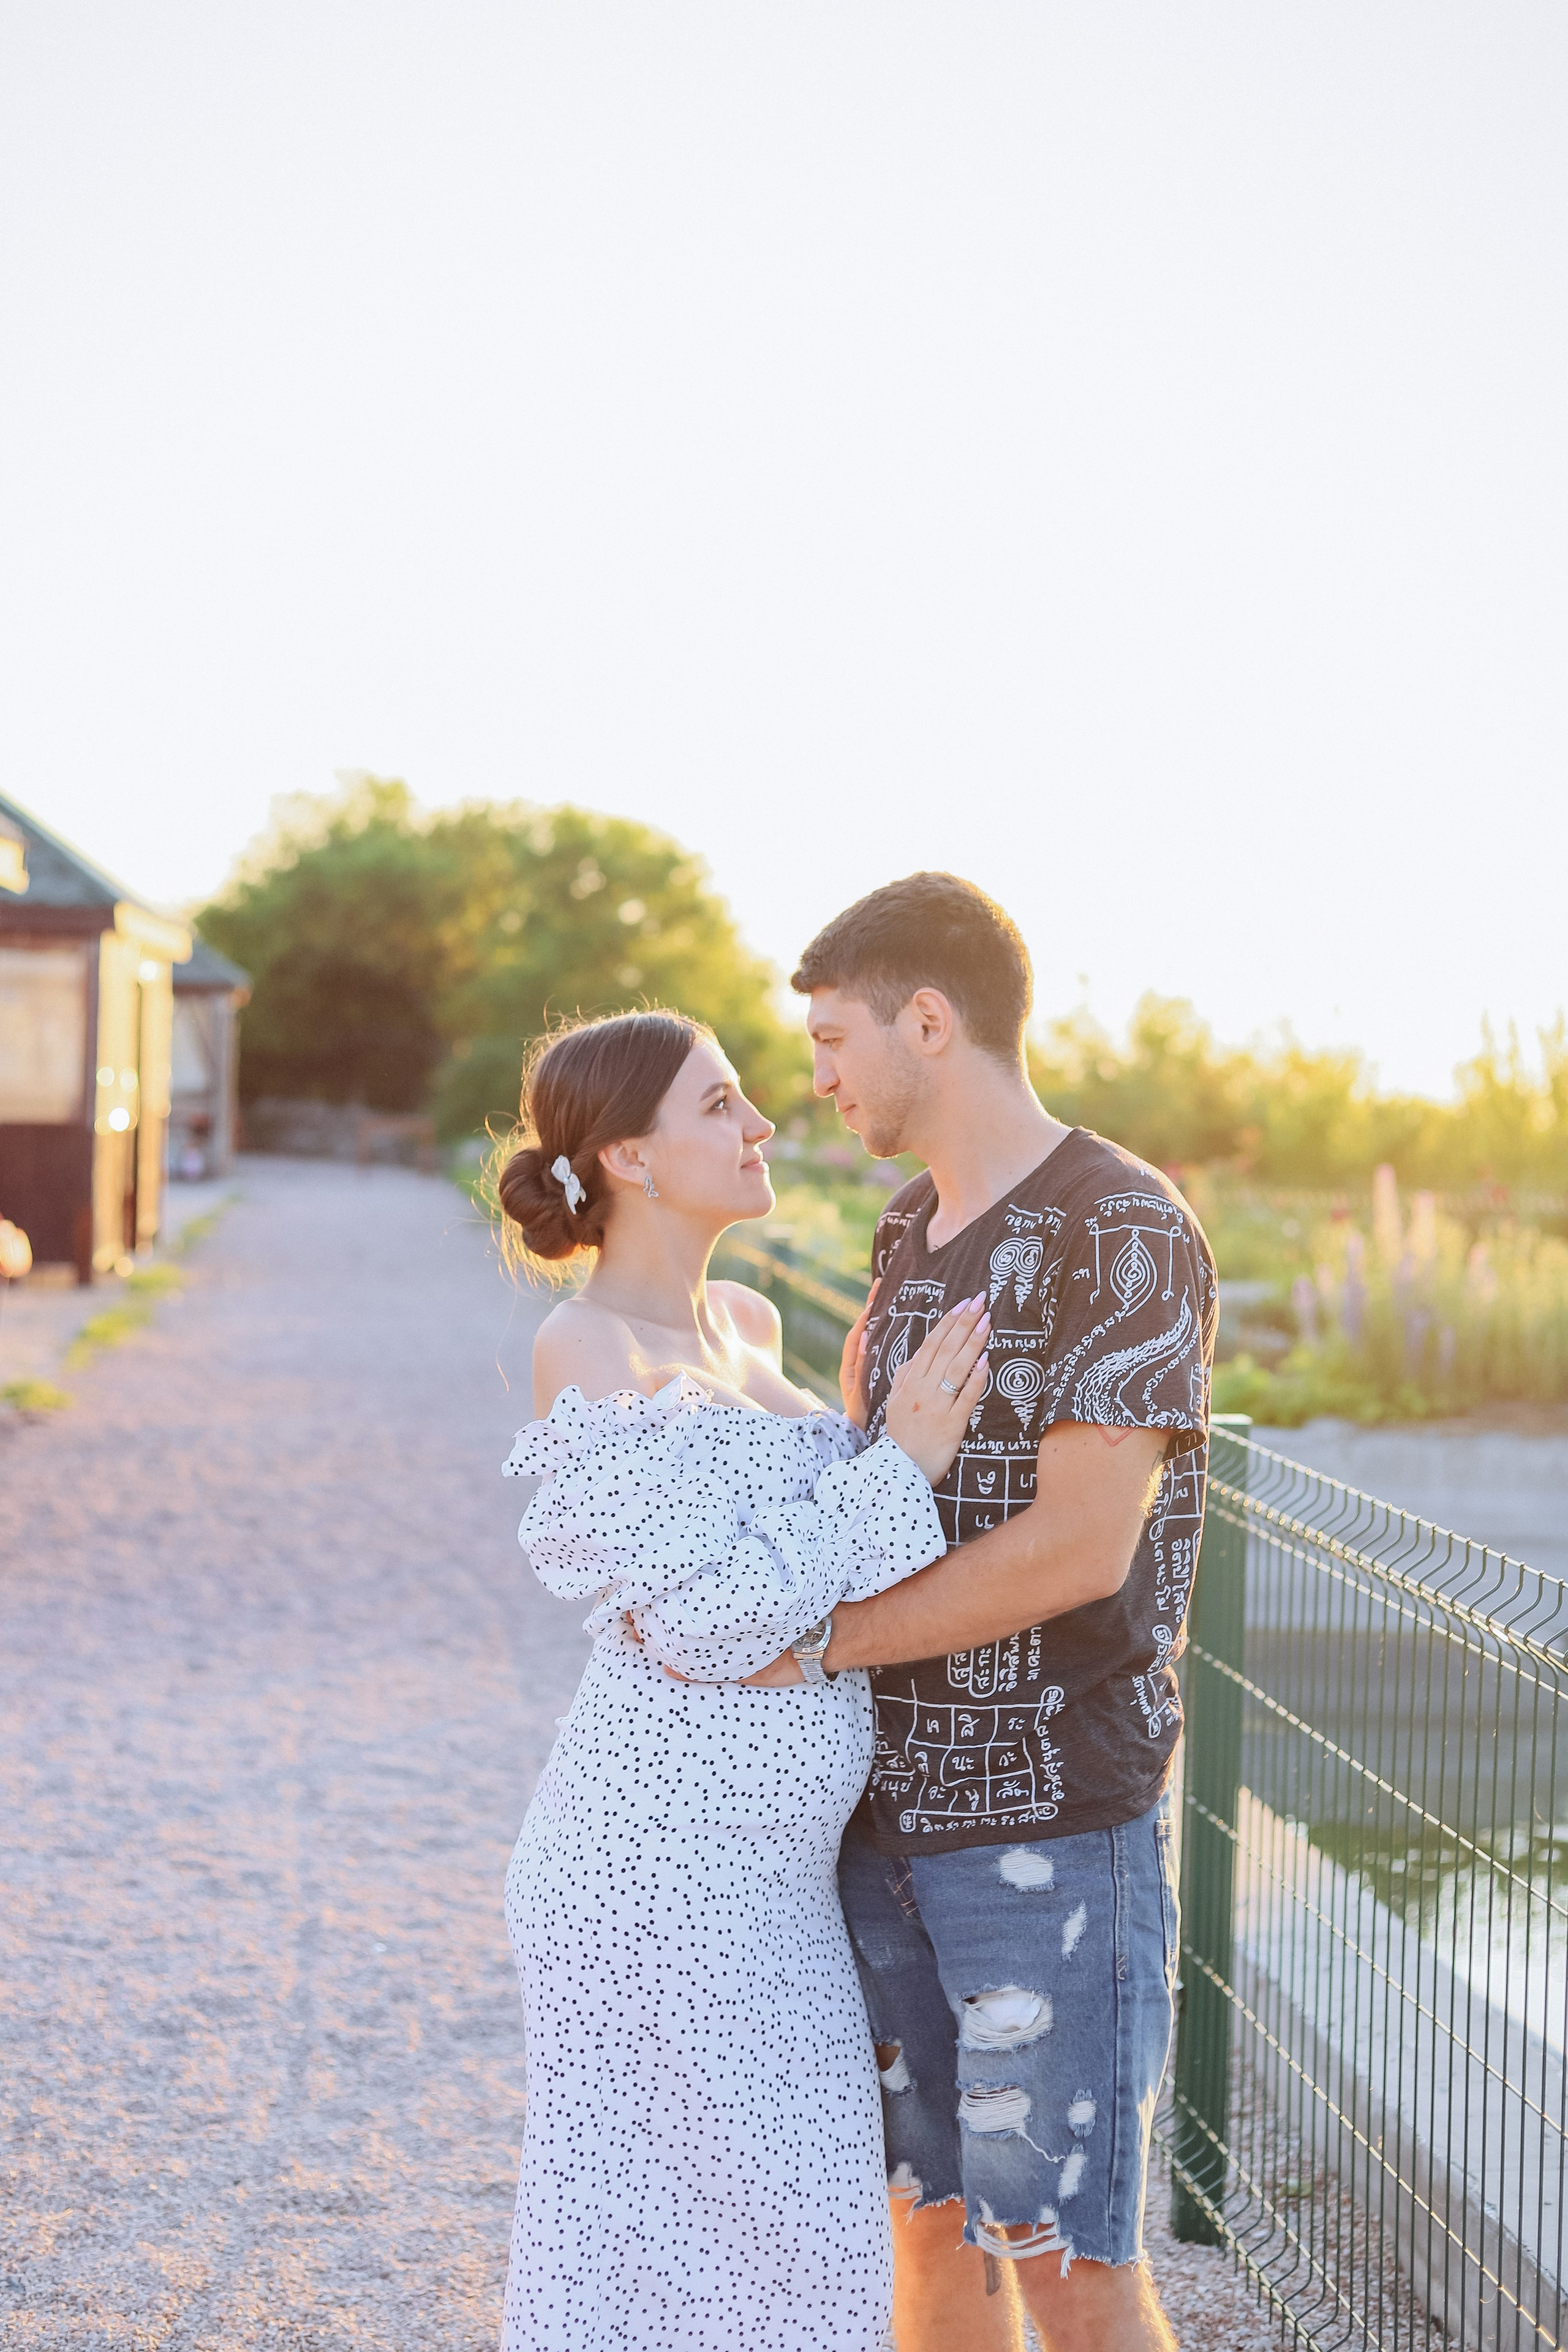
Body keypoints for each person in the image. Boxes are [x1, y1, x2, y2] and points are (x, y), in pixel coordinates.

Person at [738, 873, 1219, 2352]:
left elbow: (1079, 1548)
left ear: (927, 1022)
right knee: (928, 2234)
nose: (814, 1076)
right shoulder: (903, 1231)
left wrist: (815, 1646)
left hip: (1051, 1833)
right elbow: (877, 1492)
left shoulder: (1120, 1228)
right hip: (878, 1823)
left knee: (1067, 2265)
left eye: (832, 1038)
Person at [492, 1006, 993, 2352]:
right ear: (629, 1159)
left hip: (769, 1880)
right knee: (675, 2244)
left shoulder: (750, 1317)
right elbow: (710, 1623)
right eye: (719, 1104)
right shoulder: (585, 1353)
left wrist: (889, 1468)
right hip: (648, 1874)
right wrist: (897, 1466)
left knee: (798, 2239)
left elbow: (789, 1591)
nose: (763, 1121)